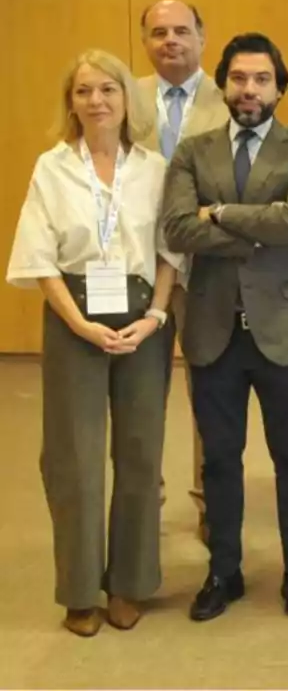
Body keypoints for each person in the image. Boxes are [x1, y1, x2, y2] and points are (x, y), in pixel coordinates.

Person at [8, 50, 179, 636]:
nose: (97, 101)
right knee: (73, 456)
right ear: (71, 102)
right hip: (73, 316)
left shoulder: (154, 168)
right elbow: (38, 255)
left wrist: (156, 314)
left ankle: (128, 582)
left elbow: (168, 251)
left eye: (108, 89)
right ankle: (80, 590)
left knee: (139, 451)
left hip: (142, 318)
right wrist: (78, 323)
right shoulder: (51, 167)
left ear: (126, 98)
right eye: (84, 91)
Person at [162, 33, 288, 622]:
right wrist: (261, 226)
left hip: (284, 331)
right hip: (212, 330)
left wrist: (224, 214)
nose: (249, 90)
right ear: (223, 83)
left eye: (261, 79)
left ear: (280, 87)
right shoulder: (193, 151)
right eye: (238, 78)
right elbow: (178, 229)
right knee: (221, 461)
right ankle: (223, 571)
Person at [136, 0, 228, 528]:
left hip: (204, 270)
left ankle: (209, 504)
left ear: (201, 35)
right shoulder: (125, 95)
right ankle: (145, 505)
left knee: (208, 394)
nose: (170, 40)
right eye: (158, 32)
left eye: (181, 31)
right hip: (140, 272)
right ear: (146, 41)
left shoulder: (231, 94)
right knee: (142, 393)